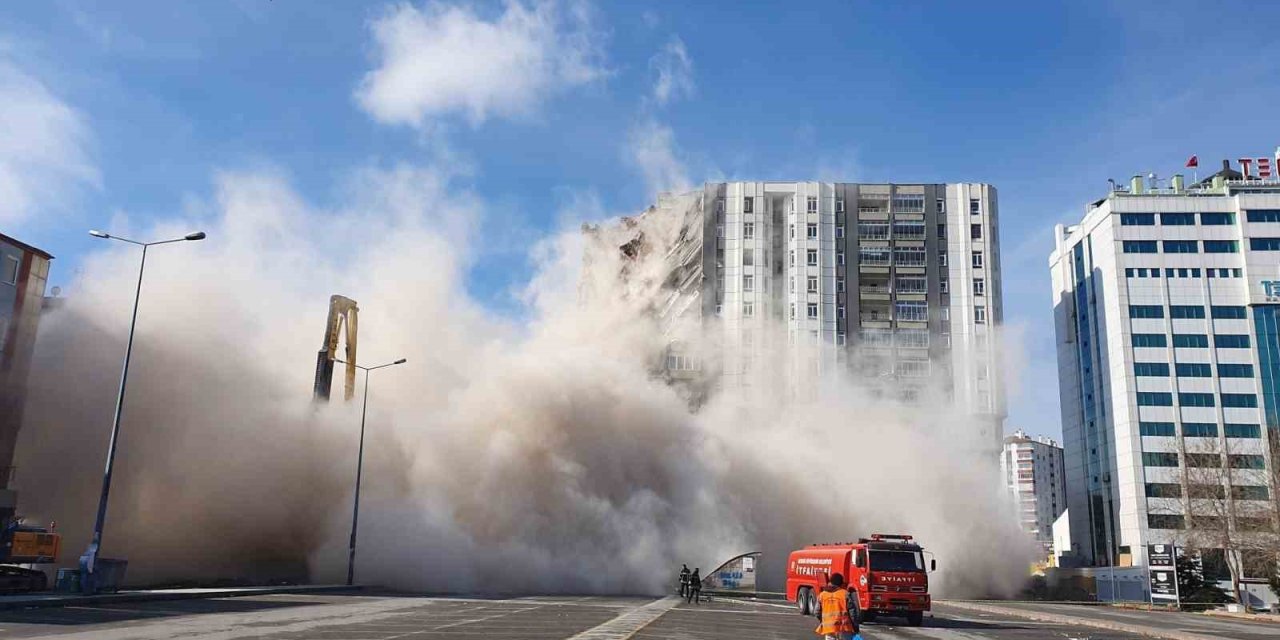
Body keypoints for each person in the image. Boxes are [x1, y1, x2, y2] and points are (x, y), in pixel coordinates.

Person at [814, 573, 860, 640]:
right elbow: (852, 613)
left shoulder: (822, 595)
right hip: (844, 628)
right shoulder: (845, 594)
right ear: (841, 583)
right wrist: (855, 626)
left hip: (829, 629)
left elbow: (816, 612)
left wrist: (823, 620)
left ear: (830, 582)